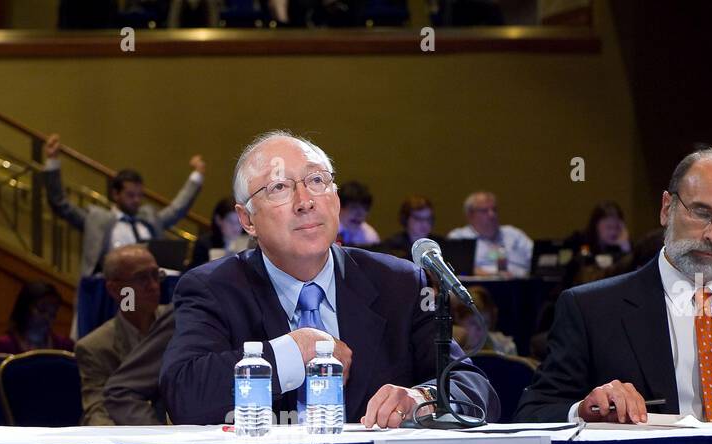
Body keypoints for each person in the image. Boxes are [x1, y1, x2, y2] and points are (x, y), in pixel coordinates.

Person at [159, 130, 495, 427]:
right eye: (279, 187)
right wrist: (294, 350)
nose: (305, 202)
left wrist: (420, 399)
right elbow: (185, 395)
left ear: (334, 198)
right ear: (247, 219)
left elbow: (474, 390)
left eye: (317, 181)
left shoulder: (400, 283)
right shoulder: (213, 289)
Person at [516, 146, 712, 424]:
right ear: (667, 208)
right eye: (701, 213)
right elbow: (535, 412)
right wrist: (584, 410)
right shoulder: (591, 309)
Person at [42, 133, 205, 278]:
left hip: (147, 291)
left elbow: (177, 209)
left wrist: (196, 176)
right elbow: (60, 204)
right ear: (115, 194)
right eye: (130, 195)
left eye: (139, 195)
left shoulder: (149, 219)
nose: (136, 200)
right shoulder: (97, 219)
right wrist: (52, 161)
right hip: (109, 290)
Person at [75, 245, 173, 426]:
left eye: (156, 275)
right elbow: (99, 411)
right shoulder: (95, 346)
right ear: (115, 290)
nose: (153, 286)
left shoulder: (178, 324)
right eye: (142, 278)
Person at [446, 191, 533, 277]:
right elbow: (457, 269)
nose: (492, 214)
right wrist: (493, 275)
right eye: (484, 211)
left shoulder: (514, 234)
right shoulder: (459, 237)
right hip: (480, 287)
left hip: (522, 284)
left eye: (494, 209)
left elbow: (536, 260)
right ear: (470, 215)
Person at [0, 281, 72, 353]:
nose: (47, 317)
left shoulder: (64, 345)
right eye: (42, 309)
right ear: (24, 308)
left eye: (53, 313)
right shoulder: (2, 345)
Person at [452, 287, 517, 356]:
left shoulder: (505, 347)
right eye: (473, 323)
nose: (480, 330)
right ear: (458, 318)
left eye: (485, 324)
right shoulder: (447, 348)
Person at [190, 197, 247, 268]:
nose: (235, 227)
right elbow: (193, 273)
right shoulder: (205, 243)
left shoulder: (251, 244)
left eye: (239, 222)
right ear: (218, 220)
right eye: (230, 221)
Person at [335, 180, 380, 247]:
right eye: (354, 207)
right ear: (339, 206)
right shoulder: (323, 230)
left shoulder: (370, 238)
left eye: (365, 209)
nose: (360, 214)